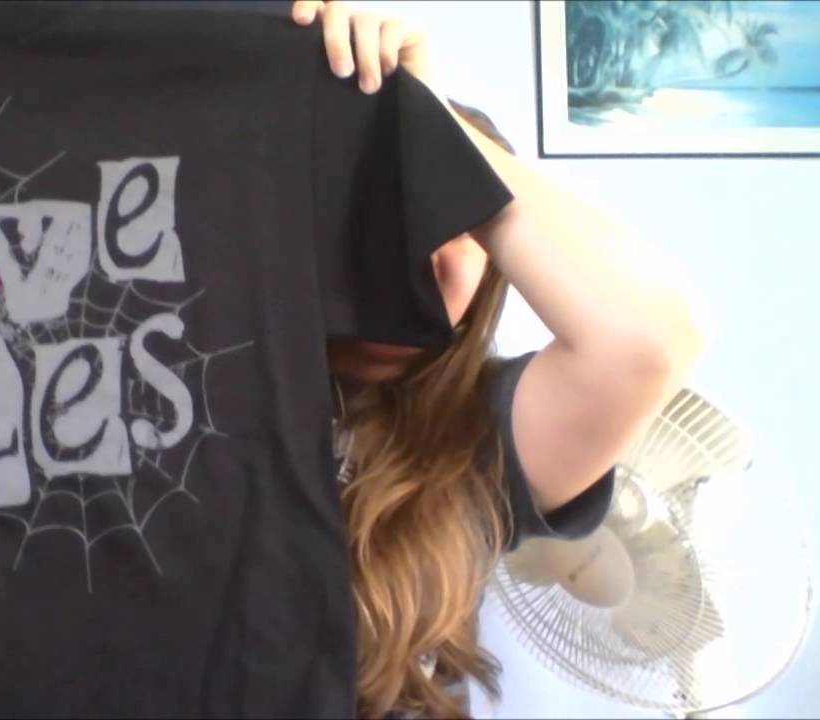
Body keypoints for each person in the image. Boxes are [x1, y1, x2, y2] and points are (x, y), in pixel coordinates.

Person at [291, 2, 708, 718]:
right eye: (387, 220)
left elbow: (648, 342)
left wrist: (421, 117)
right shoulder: (215, 375)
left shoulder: (482, 431)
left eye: (451, 225)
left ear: (496, 267)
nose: (418, 255)